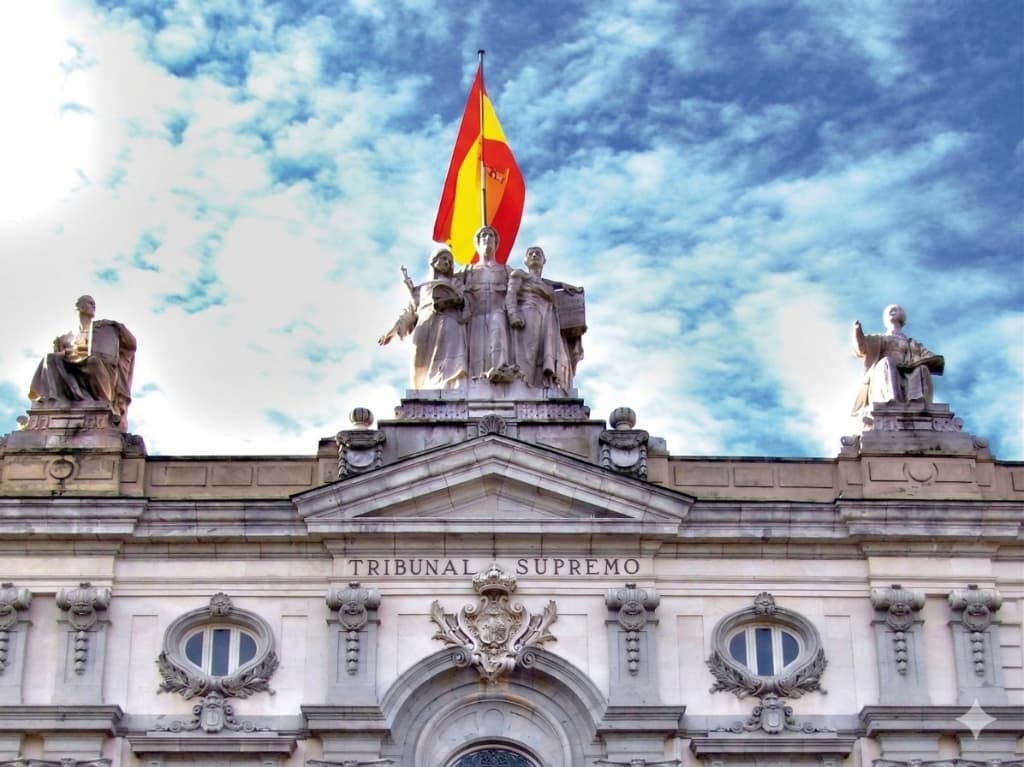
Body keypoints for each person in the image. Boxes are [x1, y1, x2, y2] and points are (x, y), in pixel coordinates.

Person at [28, 295, 137, 427]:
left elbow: (131, 345)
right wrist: (63, 353)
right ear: (78, 307)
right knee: (50, 357)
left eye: (94, 303)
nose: (93, 305)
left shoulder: (103, 328)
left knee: (93, 362)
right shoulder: (68, 337)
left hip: (98, 369)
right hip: (72, 368)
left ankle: (106, 405)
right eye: (89, 302)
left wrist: (119, 327)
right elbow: (62, 355)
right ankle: (52, 398)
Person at [379, 248, 468, 390]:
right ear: (434, 261)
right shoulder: (421, 288)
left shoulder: (455, 284)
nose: (447, 262)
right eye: (444, 258)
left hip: (448, 319)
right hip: (424, 322)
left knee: (449, 358)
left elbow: (464, 300)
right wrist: (393, 331)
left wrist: (453, 300)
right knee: (418, 358)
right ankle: (420, 391)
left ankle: (448, 388)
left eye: (450, 261)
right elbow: (409, 312)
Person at [506, 246, 582, 390]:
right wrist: (513, 314)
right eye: (530, 254)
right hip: (529, 312)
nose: (534, 255)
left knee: (547, 353)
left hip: (548, 319)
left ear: (544, 260)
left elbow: (541, 281)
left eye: (538, 253)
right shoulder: (519, 274)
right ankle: (523, 386)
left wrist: (561, 284)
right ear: (525, 260)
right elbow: (511, 294)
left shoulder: (545, 284)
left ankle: (541, 385)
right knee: (528, 351)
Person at [851, 304, 944, 418]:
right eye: (889, 310)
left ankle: (917, 402)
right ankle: (891, 400)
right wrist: (857, 331)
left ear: (903, 316)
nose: (892, 310)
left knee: (922, 368)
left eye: (897, 309)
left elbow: (930, 358)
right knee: (887, 362)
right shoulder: (878, 338)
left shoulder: (913, 343)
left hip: (907, 372)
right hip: (885, 371)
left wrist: (924, 362)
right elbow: (861, 348)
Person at [462, 227, 517, 382]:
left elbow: (531, 283)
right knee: (476, 350)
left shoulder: (506, 270)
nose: (487, 238)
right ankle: (476, 380)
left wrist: (559, 285)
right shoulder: (467, 270)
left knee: (498, 339)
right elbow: (444, 283)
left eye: (490, 235)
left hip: (498, 311)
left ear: (496, 243)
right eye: (483, 235)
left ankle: (501, 372)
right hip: (475, 315)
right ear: (477, 243)